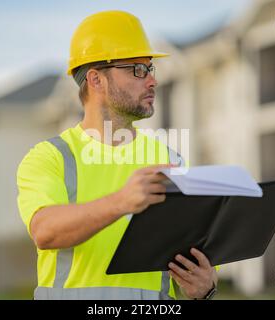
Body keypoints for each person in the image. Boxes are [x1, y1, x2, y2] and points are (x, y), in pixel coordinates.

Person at [16, 10, 218, 300]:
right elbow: (46, 231)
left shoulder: (169, 160)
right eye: (137, 69)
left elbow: (192, 263)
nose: (152, 81)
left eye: (151, 69)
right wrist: (122, 202)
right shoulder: (51, 157)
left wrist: (204, 290)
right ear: (96, 80)